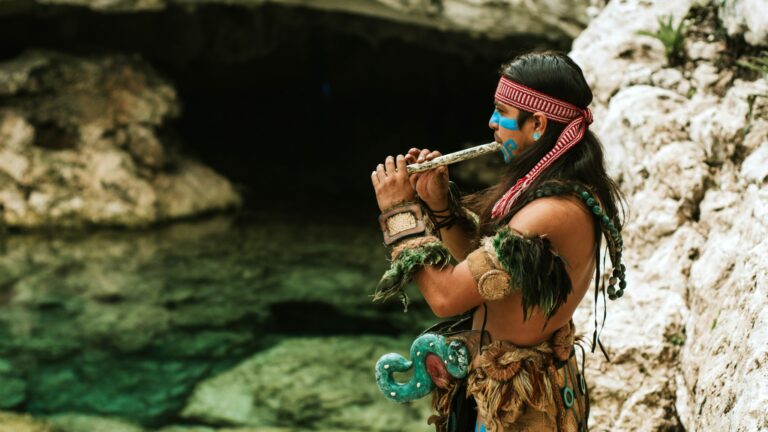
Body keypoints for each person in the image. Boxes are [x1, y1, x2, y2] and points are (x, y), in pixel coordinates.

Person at [370, 51, 626, 431]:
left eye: (502, 112)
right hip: (503, 391)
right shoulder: (552, 190)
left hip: (521, 408)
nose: (492, 123)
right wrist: (440, 207)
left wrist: (400, 212)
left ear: (538, 123)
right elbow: (487, 275)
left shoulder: (552, 210)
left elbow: (446, 297)